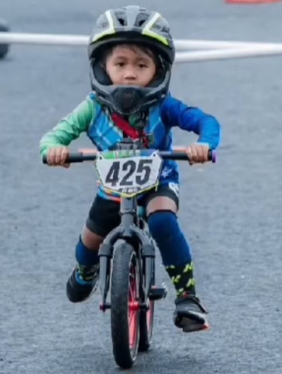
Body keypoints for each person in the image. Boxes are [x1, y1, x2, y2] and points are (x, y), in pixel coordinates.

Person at [40, 5, 221, 333]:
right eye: (120, 64)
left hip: (158, 180)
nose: (129, 74)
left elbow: (206, 122)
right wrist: (54, 150)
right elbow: (56, 134)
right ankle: (86, 272)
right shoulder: (92, 108)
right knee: (90, 239)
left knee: (163, 220)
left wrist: (204, 145)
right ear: (102, 66)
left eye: (141, 65)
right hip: (113, 186)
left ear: (159, 69)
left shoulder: (164, 106)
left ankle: (187, 296)